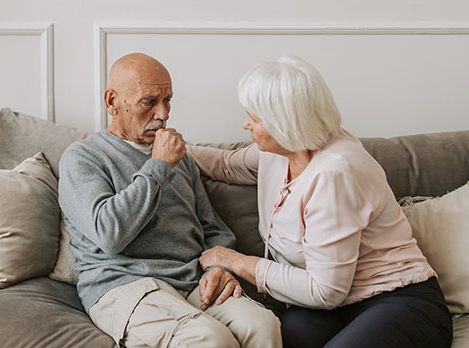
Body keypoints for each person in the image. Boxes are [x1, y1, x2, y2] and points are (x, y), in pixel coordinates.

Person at [187, 55, 453, 348]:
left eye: (255, 117)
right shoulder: (278, 152)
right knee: (270, 340)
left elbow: (326, 291)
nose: (245, 123)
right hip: (330, 309)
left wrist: (234, 260)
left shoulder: (335, 172)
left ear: (282, 123)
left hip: (398, 300)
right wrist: (165, 148)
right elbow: (226, 165)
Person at [58, 52, 281, 348]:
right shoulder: (83, 157)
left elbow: (212, 227)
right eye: (149, 102)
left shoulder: (180, 157)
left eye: (168, 101)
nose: (163, 114)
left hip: (190, 280)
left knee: (263, 325)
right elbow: (110, 234)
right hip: (124, 286)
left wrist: (219, 269)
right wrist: (159, 165)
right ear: (112, 102)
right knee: (210, 339)